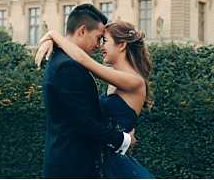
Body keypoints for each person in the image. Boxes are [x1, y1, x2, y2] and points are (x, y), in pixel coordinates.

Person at [36, 14, 154, 178]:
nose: (99, 46)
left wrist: (54, 35)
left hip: (114, 164)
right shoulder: (114, 78)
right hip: (99, 158)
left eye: (104, 40)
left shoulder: (135, 81)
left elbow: (85, 61)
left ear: (121, 45)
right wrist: (51, 42)